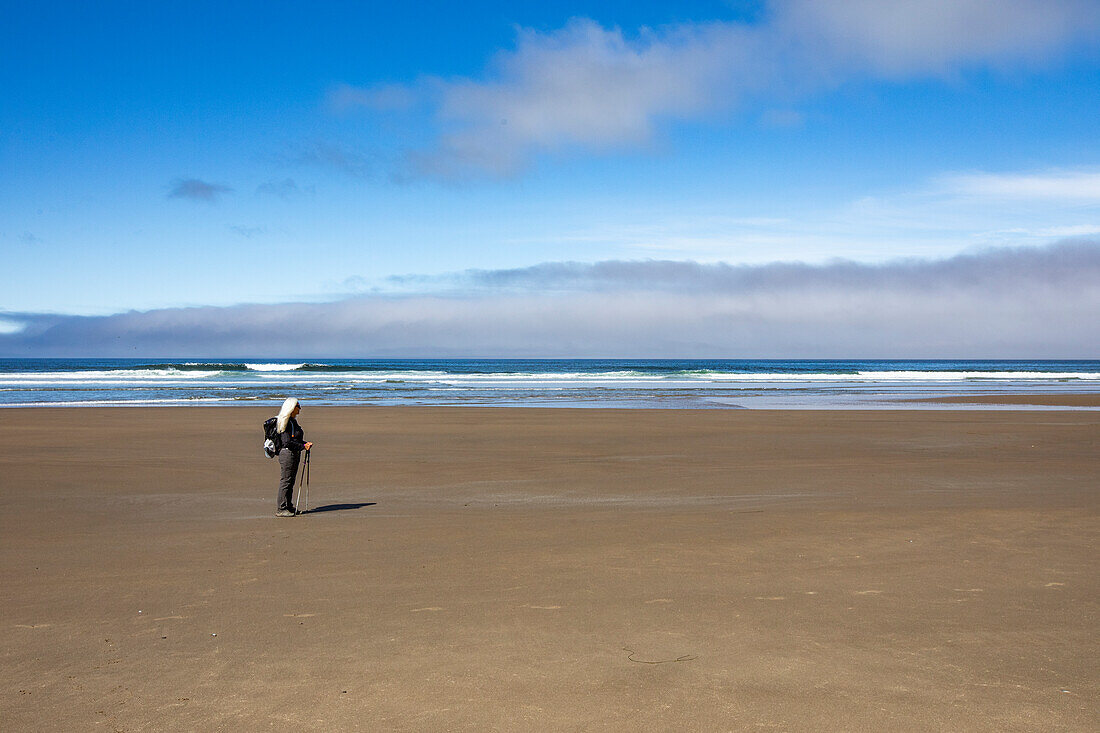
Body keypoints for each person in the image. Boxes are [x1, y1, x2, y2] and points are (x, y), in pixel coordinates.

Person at [274, 397, 313, 517]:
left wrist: (304, 444)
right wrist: (303, 445)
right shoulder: (285, 421)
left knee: (290, 481)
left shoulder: (292, 421)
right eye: (298, 406)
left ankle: (288, 506)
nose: (300, 409)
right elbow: (287, 442)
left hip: (293, 453)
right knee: (286, 481)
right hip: (287, 454)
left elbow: (295, 439)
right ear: (292, 408)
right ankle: (281, 509)